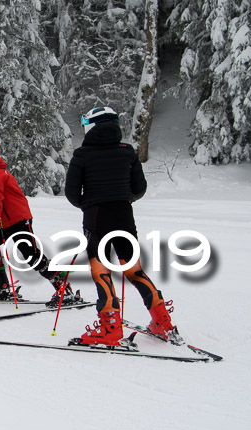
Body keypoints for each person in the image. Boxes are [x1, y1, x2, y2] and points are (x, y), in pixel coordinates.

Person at [65, 106, 177, 346]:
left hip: (96, 217)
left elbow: (72, 194)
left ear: (92, 126)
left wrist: (88, 204)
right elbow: (139, 189)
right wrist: (122, 198)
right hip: (124, 214)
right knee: (134, 270)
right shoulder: (128, 151)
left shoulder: (82, 154)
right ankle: (162, 321)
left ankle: (110, 328)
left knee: (100, 270)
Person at [0, 138, 69, 300]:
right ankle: (1, 287)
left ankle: (63, 287)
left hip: (17, 220)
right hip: (4, 220)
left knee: (31, 255)